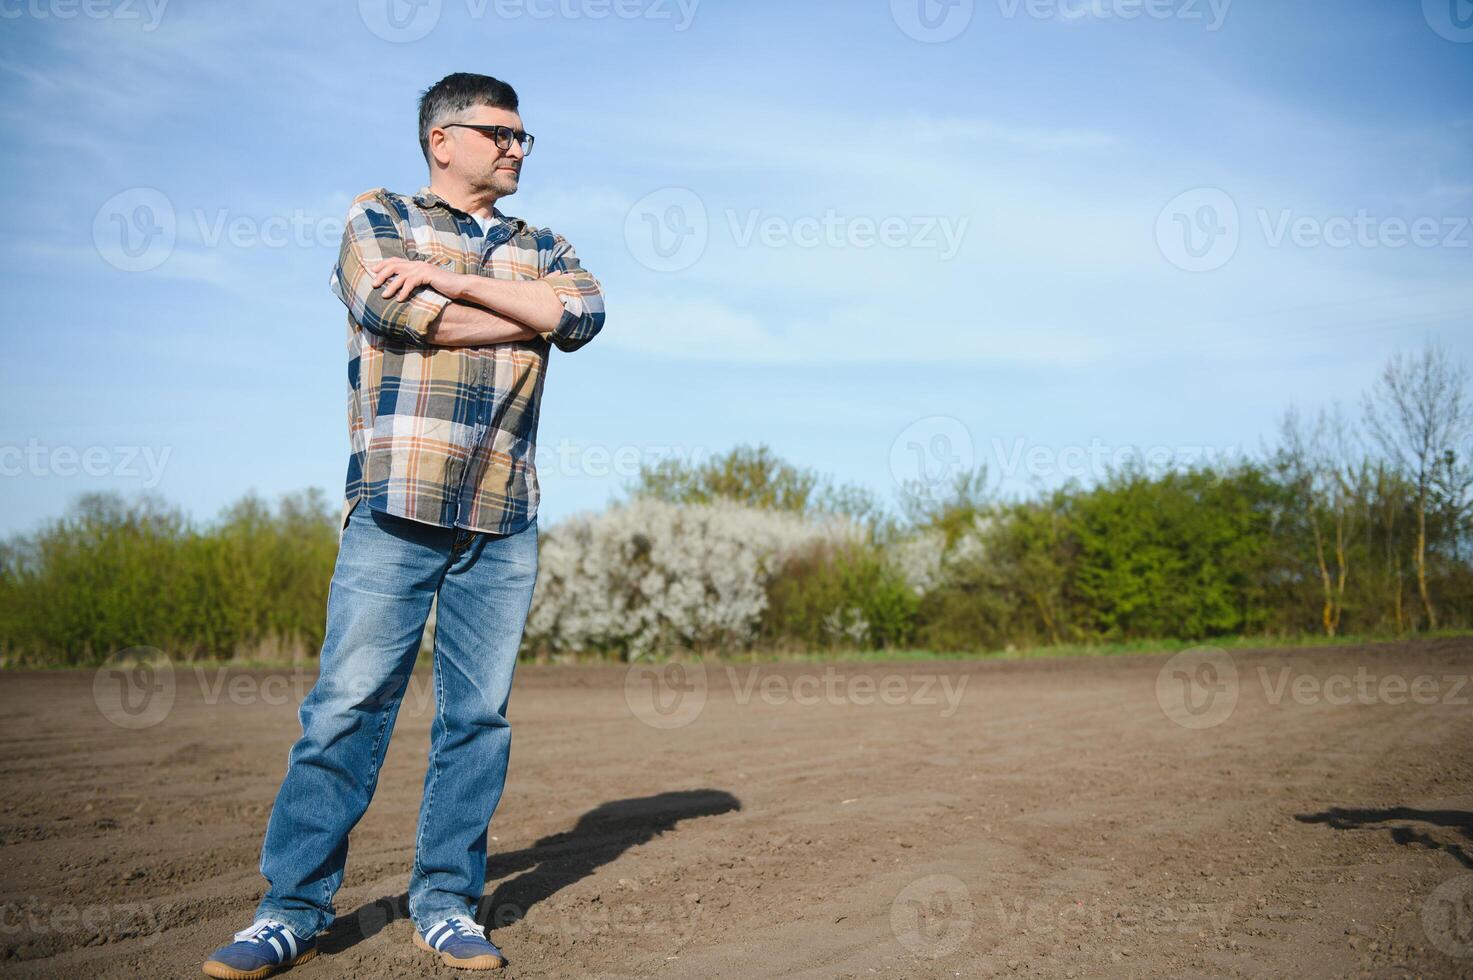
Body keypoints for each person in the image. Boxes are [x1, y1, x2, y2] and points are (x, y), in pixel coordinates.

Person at [202, 71, 606, 978]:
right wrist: (511, 312)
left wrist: (454, 289)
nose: (515, 148)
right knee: (346, 709)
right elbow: (401, 313)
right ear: (442, 138)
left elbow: (580, 313)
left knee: (479, 719)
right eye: (500, 133)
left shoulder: (544, 240)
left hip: (503, 509)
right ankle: (292, 909)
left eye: (521, 136)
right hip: (397, 501)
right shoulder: (377, 219)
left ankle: (445, 903)